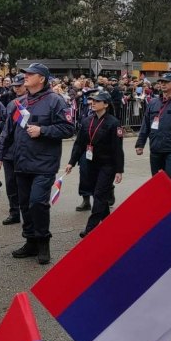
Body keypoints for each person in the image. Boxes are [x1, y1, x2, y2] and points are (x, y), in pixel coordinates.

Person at [0, 63, 75, 265]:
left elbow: (68, 129)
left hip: (44, 163)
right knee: (25, 205)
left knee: (37, 202)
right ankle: (30, 241)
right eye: (25, 73)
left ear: (42, 79)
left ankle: (43, 241)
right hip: (21, 162)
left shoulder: (55, 101)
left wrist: (43, 131)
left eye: (31, 74)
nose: (26, 76)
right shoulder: (17, 103)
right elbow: (7, 132)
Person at [65, 91, 124, 237]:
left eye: (97, 101)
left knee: (98, 195)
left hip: (107, 165)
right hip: (91, 164)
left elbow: (118, 149)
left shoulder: (113, 123)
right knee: (98, 195)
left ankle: (90, 228)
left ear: (106, 104)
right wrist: (71, 162)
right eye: (92, 101)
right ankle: (110, 223)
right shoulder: (87, 121)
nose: (93, 103)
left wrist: (119, 170)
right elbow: (79, 144)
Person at [0, 74, 27, 226]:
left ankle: (27, 213)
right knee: (10, 184)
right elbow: (7, 126)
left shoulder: (32, 102)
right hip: (9, 152)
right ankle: (14, 212)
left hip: (25, 152)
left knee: (24, 186)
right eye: (15, 85)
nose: (16, 88)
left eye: (20, 85)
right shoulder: (11, 102)